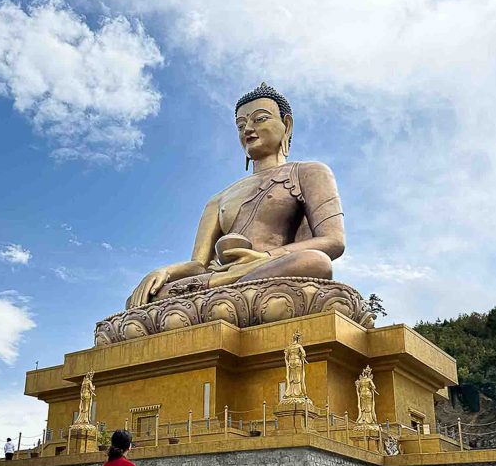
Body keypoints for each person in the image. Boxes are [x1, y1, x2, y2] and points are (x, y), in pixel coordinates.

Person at [127, 83, 345, 309]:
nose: (248, 129)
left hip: (273, 271)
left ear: (286, 125)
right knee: (148, 296)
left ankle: (221, 293)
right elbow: (199, 264)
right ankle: (223, 291)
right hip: (227, 278)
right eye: (241, 125)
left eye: (259, 119)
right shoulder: (219, 199)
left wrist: (265, 257)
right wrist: (165, 271)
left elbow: (333, 241)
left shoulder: (309, 172)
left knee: (314, 262)